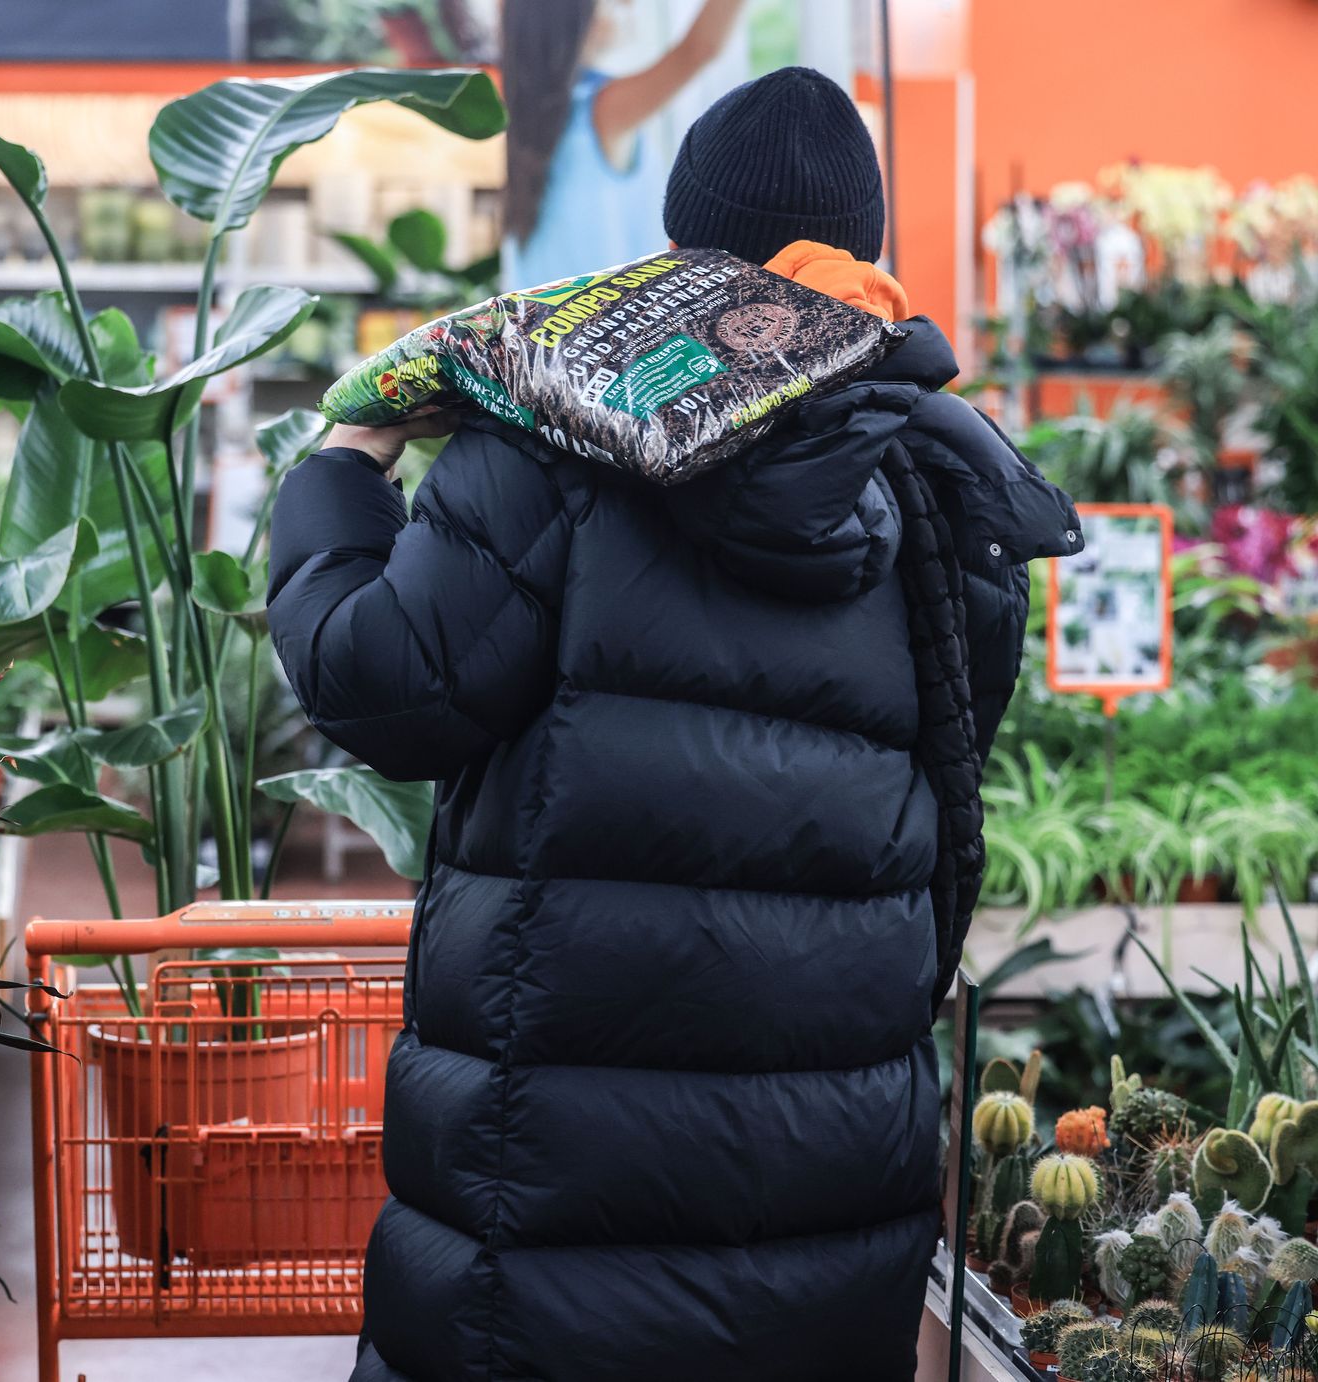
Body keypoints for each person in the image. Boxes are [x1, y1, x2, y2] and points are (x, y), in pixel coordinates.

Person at [267, 67, 1081, 1381]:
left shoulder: (545, 444)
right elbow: (948, 779)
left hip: (549, 1201)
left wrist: (345, 463)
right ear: (861, 250)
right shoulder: (944, 483)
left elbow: (385, 683)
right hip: (829, 1186)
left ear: (679, 248)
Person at [505, 0, 749, 289]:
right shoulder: (599, 110)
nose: (629, 4)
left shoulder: (533, 113)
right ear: (577, 17)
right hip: (609, 326)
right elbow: (700, 50)